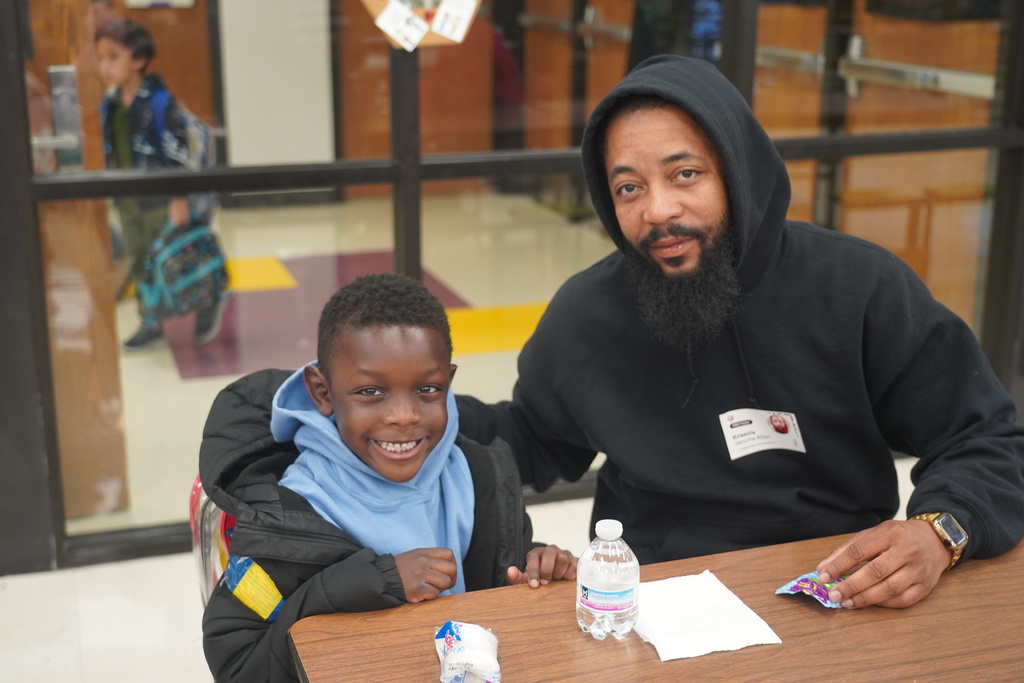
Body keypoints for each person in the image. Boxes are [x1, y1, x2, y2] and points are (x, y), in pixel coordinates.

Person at [455, 55, 1024, 610]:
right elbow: (528, 438)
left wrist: (940, 532)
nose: (657, 209)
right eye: (629, 188)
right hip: (654, 599)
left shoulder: (857, 287)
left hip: (837, 589)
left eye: (685, 174)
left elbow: (985, 438)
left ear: (737, 171)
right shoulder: (588, 313)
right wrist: (401, 406)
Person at [200, 273, 577, 683]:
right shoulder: (290, 518)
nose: (404, 416)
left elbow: (494, 568)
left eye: (427, 389)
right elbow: (238, 660)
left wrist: (533, 565)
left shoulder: (476, 474)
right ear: (322, 393)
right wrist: (367, 582)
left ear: (448, 381)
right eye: (370, 393)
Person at [95, 19, 224, 350]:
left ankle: (206, 301)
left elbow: (176, 151)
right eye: (101, 59)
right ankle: (149, 320)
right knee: (141, 262)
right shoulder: (109, 105)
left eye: (113, 57)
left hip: (161, 200)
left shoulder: (159, 102)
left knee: (177, 258)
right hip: (129, 200)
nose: (104, 66)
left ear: (138, 60)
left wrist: (178, 196)